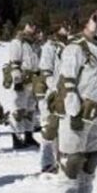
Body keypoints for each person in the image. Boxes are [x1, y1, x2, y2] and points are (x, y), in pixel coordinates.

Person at [52, 8, 97, 193]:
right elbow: (67, 81)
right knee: (73, 158)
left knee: (91, 157)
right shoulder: (74, 48)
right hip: (79, 111)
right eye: (95, 18)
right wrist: (73, 110)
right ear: (83, 21)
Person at [4, 18, 42, 149]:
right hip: (22, 79)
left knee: (31, 109)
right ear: (24, 26)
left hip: (33, 79)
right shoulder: (17, 42)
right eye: (31, 24)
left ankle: (29, 135)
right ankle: (16, 136)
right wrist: (17, 80)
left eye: (34, 25)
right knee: (18, 109)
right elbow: (14, 62)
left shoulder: (33, 43)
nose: (33, 27)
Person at [38, 22, 70, 173]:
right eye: (64, 26)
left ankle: (60, 160)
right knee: (49, 128)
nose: (68, 28)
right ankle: (46, 162)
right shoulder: (49, 47)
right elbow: (45, 70)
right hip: (51, 93)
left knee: (62, 128)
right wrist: (55, 87)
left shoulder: (69, 46)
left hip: (66, 93)